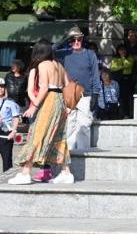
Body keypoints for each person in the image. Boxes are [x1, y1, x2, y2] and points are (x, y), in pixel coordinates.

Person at [8, 40, 74, 185]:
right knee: (59, 137)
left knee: (37, 134)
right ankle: (66, 172)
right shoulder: (58, 65)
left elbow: (44, 88)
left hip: (49, 100)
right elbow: (68, 85)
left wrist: (34, 106)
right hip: (60, 100)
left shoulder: (43, 65)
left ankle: (25, 173)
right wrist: (68, 106)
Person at [62, 27, 101, 153]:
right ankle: (69, 155)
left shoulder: (90, 54)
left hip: (86, 95)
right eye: (73, 40)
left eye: (78, 39)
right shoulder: (64, 55)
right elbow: (49, 51)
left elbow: (95, 75)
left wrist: (95, 94)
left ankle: (84, 153)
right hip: (69, 96)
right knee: (69, 126)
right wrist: (65, 40)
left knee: (84, 126)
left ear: (82, 39)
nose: (76, 42)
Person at [0, 82, 22, 172]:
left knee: (7, 159)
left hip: (5, 133)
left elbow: (15, 118)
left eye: (2, 87)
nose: (0, 89)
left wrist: (14, 131)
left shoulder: (10, 102)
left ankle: (6, 180)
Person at [110, 44, 136, 118]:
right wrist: (122, 67)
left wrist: (123, 58)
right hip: (120, 79)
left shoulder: (130, 58)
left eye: (124, 49)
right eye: (120, 50)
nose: (122, 51)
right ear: (118, 51)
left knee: (129, 97)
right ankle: (122, 114)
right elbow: (112, 68)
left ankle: (129, 114)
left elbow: (128, 65)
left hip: (128, 79)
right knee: (121, 97)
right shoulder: (115, 58)